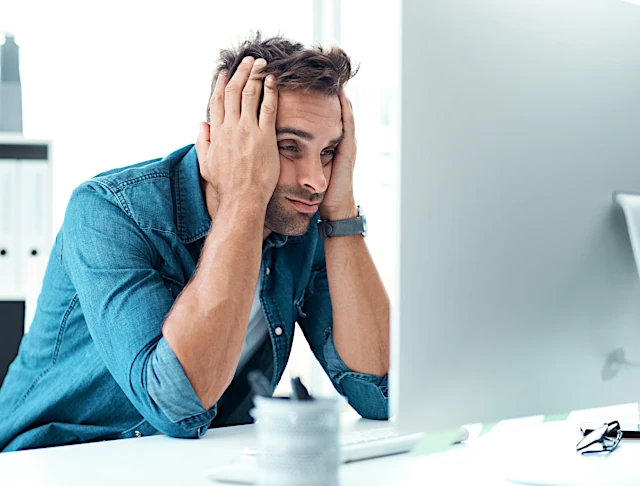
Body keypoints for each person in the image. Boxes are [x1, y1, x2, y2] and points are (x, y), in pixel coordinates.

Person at [0, 33, 390, 452]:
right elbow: (176, 406)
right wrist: (244, 196)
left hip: (187, 462)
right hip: (54, 459)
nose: (315, 180)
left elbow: (381, 394)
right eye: (288, 147)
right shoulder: (110, 212)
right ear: (223, 143)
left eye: (329, 152)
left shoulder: (299, 221)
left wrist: (341, 209)